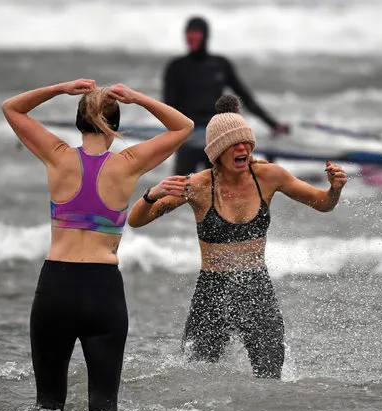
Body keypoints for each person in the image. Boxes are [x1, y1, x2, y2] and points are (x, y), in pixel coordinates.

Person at [1, 78, 194, 411]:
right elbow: (183, 126)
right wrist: (137, 98)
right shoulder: (127, 163)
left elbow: (11, 107)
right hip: (103, 291)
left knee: (47, 406)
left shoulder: (56, 156)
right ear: (116, 125)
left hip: (55, 288)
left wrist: (60, 89)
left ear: (78, 123)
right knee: (104, 409)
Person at [127, 94, 347, 379]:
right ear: (218, 151)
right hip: (212, 291)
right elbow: (136, 220)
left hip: (256, 288)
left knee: (271, 377)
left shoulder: (269, 176)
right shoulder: (197, 186)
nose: (242, 148)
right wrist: (150, 195)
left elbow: (323, 204)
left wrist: (335, 189)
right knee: (196, 375)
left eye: (246, 142)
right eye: (234, 144)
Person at [163, 16, 290, 175]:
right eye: (188, 32)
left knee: (218, 191)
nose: (191, 36)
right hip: (189, 137)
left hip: (216, 136)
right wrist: (177, 134)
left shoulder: (221, 65)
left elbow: (246, 98)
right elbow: (167, 107)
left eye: (195, 32)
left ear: (205, 34)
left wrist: (273, 124)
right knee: (179, 190)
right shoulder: (176, 67)